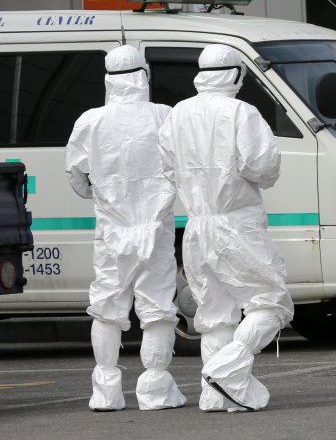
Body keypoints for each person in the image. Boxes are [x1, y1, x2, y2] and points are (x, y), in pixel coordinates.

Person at [158, 44, 294, 412]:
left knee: (214, 315)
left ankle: (216, 397)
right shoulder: (241, 112)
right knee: (273, 303)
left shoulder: (178, 114)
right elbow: (263, 169)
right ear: (235, 74)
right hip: (236, 225)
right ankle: (225, 371)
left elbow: (168, 168)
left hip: (197, 227)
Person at [66, 45, 186, 411]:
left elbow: (75, 174)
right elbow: (180, 166)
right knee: (157, 307)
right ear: (144, 76)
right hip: (157, 228)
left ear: (107, 80)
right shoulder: (165, 116)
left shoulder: (90, 120)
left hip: (112, 230)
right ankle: (155, 390)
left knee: (106, 307)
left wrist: (102, 198)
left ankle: (106, 392)